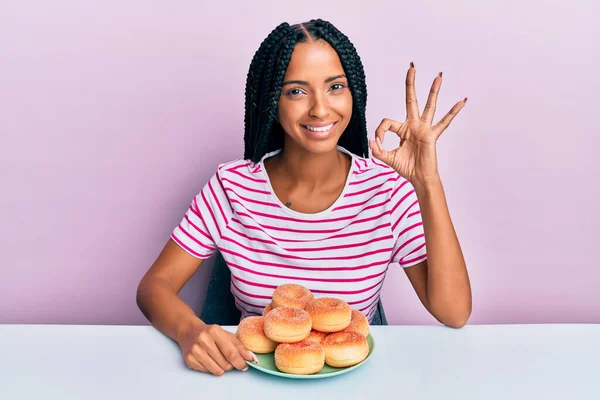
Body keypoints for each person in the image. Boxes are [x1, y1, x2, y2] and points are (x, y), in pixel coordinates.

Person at [136, 18, 472, 376]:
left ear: (353, 92)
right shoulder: (231, 188)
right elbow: (154, 286)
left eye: (335, 87)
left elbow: (454, 312)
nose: (320, 109)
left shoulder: (387, 192)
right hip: (250, 379)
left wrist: (428, 181)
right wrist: (190, 331)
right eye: (296, 91)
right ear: (272, 102)